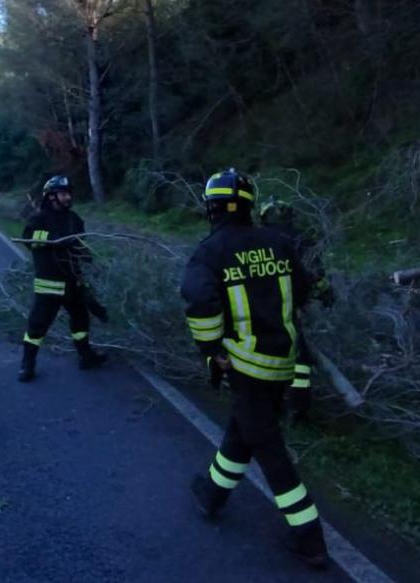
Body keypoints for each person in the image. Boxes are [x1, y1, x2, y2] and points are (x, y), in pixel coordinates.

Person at [181, 169, 330, 569]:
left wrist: (212, 349)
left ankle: (309, 536)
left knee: (269, 448)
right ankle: (212, 493)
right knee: (244, 430)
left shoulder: (211, 251)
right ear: (249, 205)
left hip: (245, 365)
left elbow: (198, 301)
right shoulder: (278, 242)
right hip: (282, 361)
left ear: (212, 207)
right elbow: (303, 290)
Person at [17, 175, 107, 382]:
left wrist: (85, 254)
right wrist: (53, 241)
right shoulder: (38, 219)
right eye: (63, 194)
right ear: (51, 197)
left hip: (73, 282)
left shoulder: (74, 219)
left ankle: (86, 356)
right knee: (37, 326)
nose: (68, 197)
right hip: (49, 285)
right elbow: (29, 241)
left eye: (68, 194)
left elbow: (79, 245)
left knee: (81, 320)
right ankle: (27, 364)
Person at [258, 197, 334, 423]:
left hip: (256, 305)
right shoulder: (301, 240)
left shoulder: (254, 238)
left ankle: (267, 401)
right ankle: (297, 408)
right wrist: (325, 294)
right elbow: (315, 274)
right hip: (288, 306)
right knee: (300, 358)